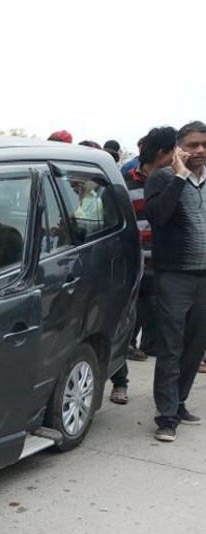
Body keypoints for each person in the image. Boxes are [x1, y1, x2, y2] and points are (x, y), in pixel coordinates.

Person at [144, 121, 206, 442]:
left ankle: (178, 402)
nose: (199, 151)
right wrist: (180, 176)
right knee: (170, 346)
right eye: (193, 145)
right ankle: (166, 417)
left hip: (204, 278)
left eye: (204, 145)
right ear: (179, 147)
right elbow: (158, 215)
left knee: (195, 348)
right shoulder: (162, 179)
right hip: (174, 276)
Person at [110, 127, 178, 405]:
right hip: (134, 265)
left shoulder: (176, 182)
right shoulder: (124, 182)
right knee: (124, 325)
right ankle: (120, 382)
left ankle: (171, 398)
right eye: (175, 150)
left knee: (170, 331)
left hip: (168, 267)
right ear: (164, 152)